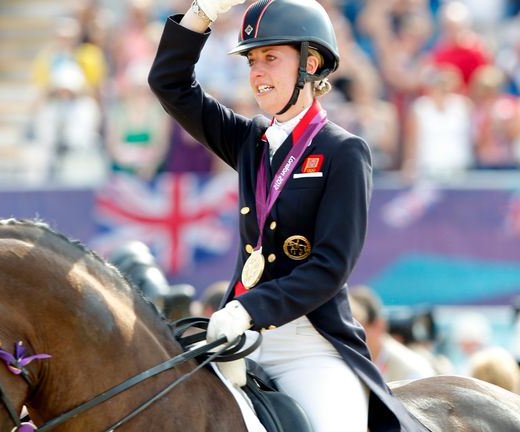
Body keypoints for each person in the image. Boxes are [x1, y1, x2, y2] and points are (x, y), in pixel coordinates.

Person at [147, 0, 427, 430]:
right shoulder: (251, 141)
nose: (257, 72)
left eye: (271, 58)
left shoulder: (344, 152)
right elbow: (169, 84)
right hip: (238, 339)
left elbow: (330, 267)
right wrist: (201, 13)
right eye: (252, 61)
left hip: (310, 347)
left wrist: (248, 309)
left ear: (310, 63)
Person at [348, 286, 436, 383]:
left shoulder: (412, 371)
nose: (349, 334)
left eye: (356, 326)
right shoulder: (345, 363)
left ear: (378, 325)